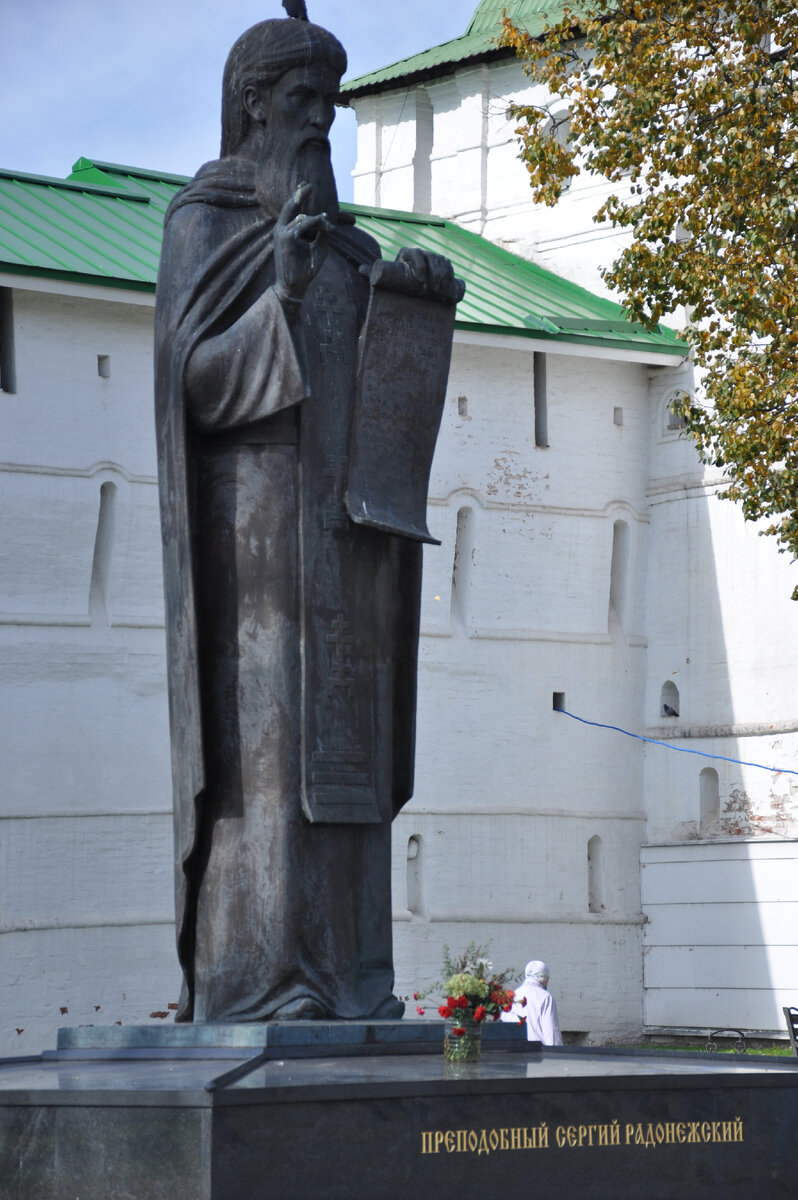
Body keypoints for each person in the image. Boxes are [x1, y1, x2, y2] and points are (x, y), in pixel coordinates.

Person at [154, 15, 458, 1023]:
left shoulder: (347, 246)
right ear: (253, 101)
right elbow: (194, 387)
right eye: (304, 98)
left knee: (349, 752)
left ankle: (355, 976)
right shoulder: (206, 219)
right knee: (270, 758)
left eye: (334, 102)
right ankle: (262, 979)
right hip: (254, 531)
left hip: (346, 532)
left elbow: (381, 382)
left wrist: (409, 297)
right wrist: (276, 294)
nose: (324, 118)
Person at [502, 960, 563, 1045]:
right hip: (536, 1053)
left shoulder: (513, 994)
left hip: (512, 1050)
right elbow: (551, 1034)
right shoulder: (546, 997)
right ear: (544, 978)